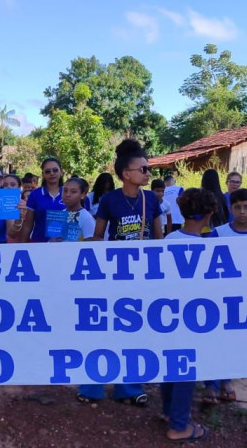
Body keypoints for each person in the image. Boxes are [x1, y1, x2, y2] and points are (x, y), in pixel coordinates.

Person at [80, 139, 161, 407]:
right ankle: (93, 386)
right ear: (127, 174)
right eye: (144, 169)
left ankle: (129, 386)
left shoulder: (151, 199)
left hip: (143, 275)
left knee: (134, 330)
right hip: (113, 275)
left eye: (148, 169)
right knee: (104, 327)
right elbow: (98, 236)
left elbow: (158, 239)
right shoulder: (109, 200)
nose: (149, 173)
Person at [159, 187, 216, 441]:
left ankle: (170, 413)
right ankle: (179, 425)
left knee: (170, 365)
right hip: (193, 318)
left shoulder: (170, 239)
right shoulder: (206, 248)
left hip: (166, 315)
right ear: (209, 214)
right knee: (186, 370)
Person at [201, 187, 247, 405]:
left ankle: (227, 380)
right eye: (238, 207)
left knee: (233, 342)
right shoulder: (218, 233)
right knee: (215, 339)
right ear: (231, 208)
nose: (243, 211)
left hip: (243, 297)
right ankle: (211, 384)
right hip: (218, 296)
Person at [22, 158, 69, 243]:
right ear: (43, 174)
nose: (52, 173)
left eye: (55, 170)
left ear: (61, 172)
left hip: (64, 246)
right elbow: (28, 225)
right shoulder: (35, 194)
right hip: (39, 245)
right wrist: (22, 246)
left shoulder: (69, 193)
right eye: (47, 171)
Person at [47, 177, 95, 242]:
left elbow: (90, 246)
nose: (68, 194)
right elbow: (51, 241)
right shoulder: (59, 215)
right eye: (65, 190)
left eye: (73, 192)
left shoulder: (87, 218)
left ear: (82, 195)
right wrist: (51, 241)